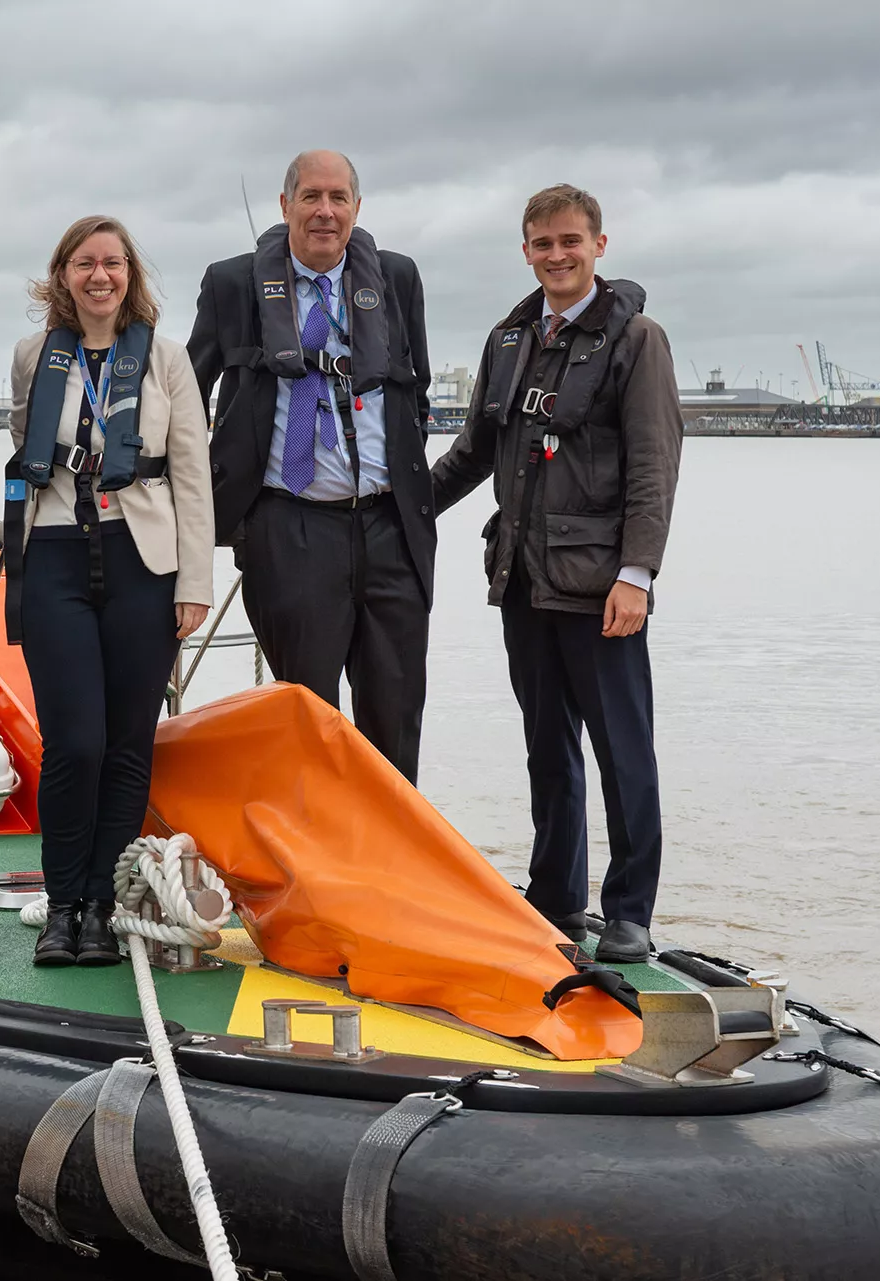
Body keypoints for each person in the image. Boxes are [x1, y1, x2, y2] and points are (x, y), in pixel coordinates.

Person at [431, 184, 682, 963]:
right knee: (548, 747)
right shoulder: (509, 340)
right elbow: (474, 451)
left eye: (571, 241)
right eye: (542, 244)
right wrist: (399, 509)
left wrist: (636, 575)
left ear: (599, 246)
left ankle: (631, 909)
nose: (557, 256)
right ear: (527, 250)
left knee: (622, 749)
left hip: (601, 585)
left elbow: (654, 467)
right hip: (522, 580)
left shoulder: (637, 339)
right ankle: (556, 899)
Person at [4, 216, 214, 966]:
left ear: (131, 274)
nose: (101, 276)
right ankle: (62, 905)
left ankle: (104, 904)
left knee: (128, 746)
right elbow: (26, 460)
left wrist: (195, 581)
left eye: (114, 263)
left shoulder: (164, 357)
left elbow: (192, 472)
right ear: (63, 274)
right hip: (57, 552)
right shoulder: (34, 357)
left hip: (144, 559)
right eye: (85, 263)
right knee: (75, 742)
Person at [186, 150, 435, 783]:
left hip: (389, 529)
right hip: (288, 525)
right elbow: (186, 400)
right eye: (311, 197)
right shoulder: (232, 284)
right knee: (307, 715)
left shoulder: (398, 279)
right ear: (285, 205)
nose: (325, 212)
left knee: (396, 717)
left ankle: (391, 869)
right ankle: (314, 869)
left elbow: (418, 392)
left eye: (338, 198)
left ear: (356, 208)